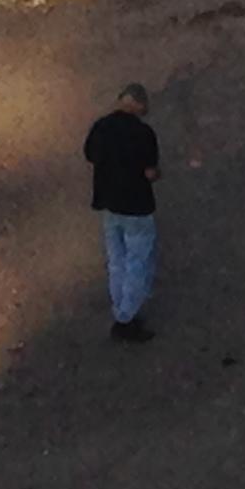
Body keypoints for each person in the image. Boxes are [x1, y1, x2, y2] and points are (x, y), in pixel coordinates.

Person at [83, 81, 160, 341]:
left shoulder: (100, 127)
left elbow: (90, 156)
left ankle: (120, 307)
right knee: (137, 261)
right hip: (137, 206)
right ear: (139, 104)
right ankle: (125, 317)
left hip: (110, 204)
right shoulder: (144, 133)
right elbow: (150, 172)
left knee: (116, 260)